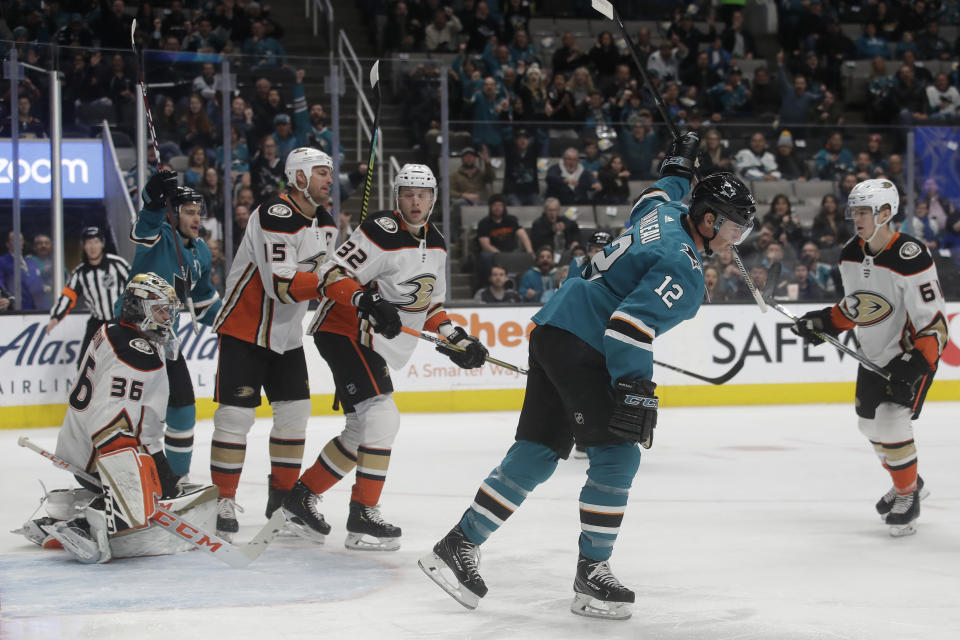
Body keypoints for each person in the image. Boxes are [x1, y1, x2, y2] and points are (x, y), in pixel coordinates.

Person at [419, 134, 757, 619]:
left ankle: (458, 544)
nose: (735, 240)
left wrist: (681, 162)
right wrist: (635, 390)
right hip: (585, 345)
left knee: (536, 452)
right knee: (618, 459)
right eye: (734, 229)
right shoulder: (683, 270)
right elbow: (626, 332)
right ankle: (592, 575)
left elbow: (663, 189)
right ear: (708, 220)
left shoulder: (659, 213)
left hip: (555, 326)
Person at [281, 164, 489, 551]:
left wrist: (457, 338)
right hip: (344, 331)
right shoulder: (380, 229)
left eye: (423, 194)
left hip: (370, 338)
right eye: (408, 193)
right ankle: (363, 515)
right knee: (382, 415)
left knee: (362, 429)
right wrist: (367, 298)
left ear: (433, 199)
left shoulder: (438, 244)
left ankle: (300, 499)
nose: (415, 201)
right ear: (397, 196)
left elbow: (431, 307)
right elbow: (331, 273)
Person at [791, 179, 948, 537]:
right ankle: (908, 477)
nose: (856, 217)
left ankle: (908, 496)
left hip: (912, 356)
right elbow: (859, 306)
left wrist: (915, 362)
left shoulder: (912, 255)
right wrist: (826, 321)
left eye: (864, 210)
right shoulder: (850, 253)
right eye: (855, 210)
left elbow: (934, 321)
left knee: (892, 422)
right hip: (871, 355)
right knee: (868, 424)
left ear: (886, 213)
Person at [209, 148, 339, 540]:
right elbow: (282, 287)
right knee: (235, 418)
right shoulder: (274, 214)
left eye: (329, 173)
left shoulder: (327, 222)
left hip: (286, 336)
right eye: (320, 173)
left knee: (295, 413)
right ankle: (223, 498)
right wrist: (334, 282)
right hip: (245, 331)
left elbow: (327, 276)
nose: (328, 179)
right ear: (299, 177)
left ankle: (282, 500)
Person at [22, 273, 192, 563]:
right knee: (141, 508)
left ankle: (57, 523)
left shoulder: (116, 330)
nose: (167, 318)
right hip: (99, 455)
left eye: (169, 311)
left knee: (166, 489)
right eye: (161, 310)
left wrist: (159, 466)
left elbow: (139, 419)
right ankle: (85, 526)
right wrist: (127, 483)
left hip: (82, 445)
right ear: (140, 308)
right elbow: (110, 421)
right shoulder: (134, 352)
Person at [121, 173, 222, 481]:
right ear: (173, 214)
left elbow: (202, 300)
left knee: (183, 406)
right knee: (133, 412)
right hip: (132, 335)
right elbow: (143, 229)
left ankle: (177, 479)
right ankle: (119, 471)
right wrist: (152, 202)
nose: (196, 218)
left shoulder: (201, 251)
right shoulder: (160, 235)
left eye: (198, 212)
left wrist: (229, 321)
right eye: (189, 212)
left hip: (166, 340)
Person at [47, 227, 131, 363]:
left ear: (102, 244)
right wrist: (56, 317)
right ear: (83, 246)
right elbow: (68, 295)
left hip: (119, 320)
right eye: (89, 243)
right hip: (97, 322)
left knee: (123, 360)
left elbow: (134, 284)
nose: (93, 247)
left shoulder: (116, 263)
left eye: (96, 242)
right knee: (84, 363)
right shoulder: (80, 272)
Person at [0, 231, 46, 311]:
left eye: (20, 240)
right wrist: (6, 299)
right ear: (7, 244)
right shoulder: (2, 261)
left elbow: (39, 285)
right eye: (14, 240)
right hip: (16, 310)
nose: (18, 242)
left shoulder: (31, 262)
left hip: (37, 310)